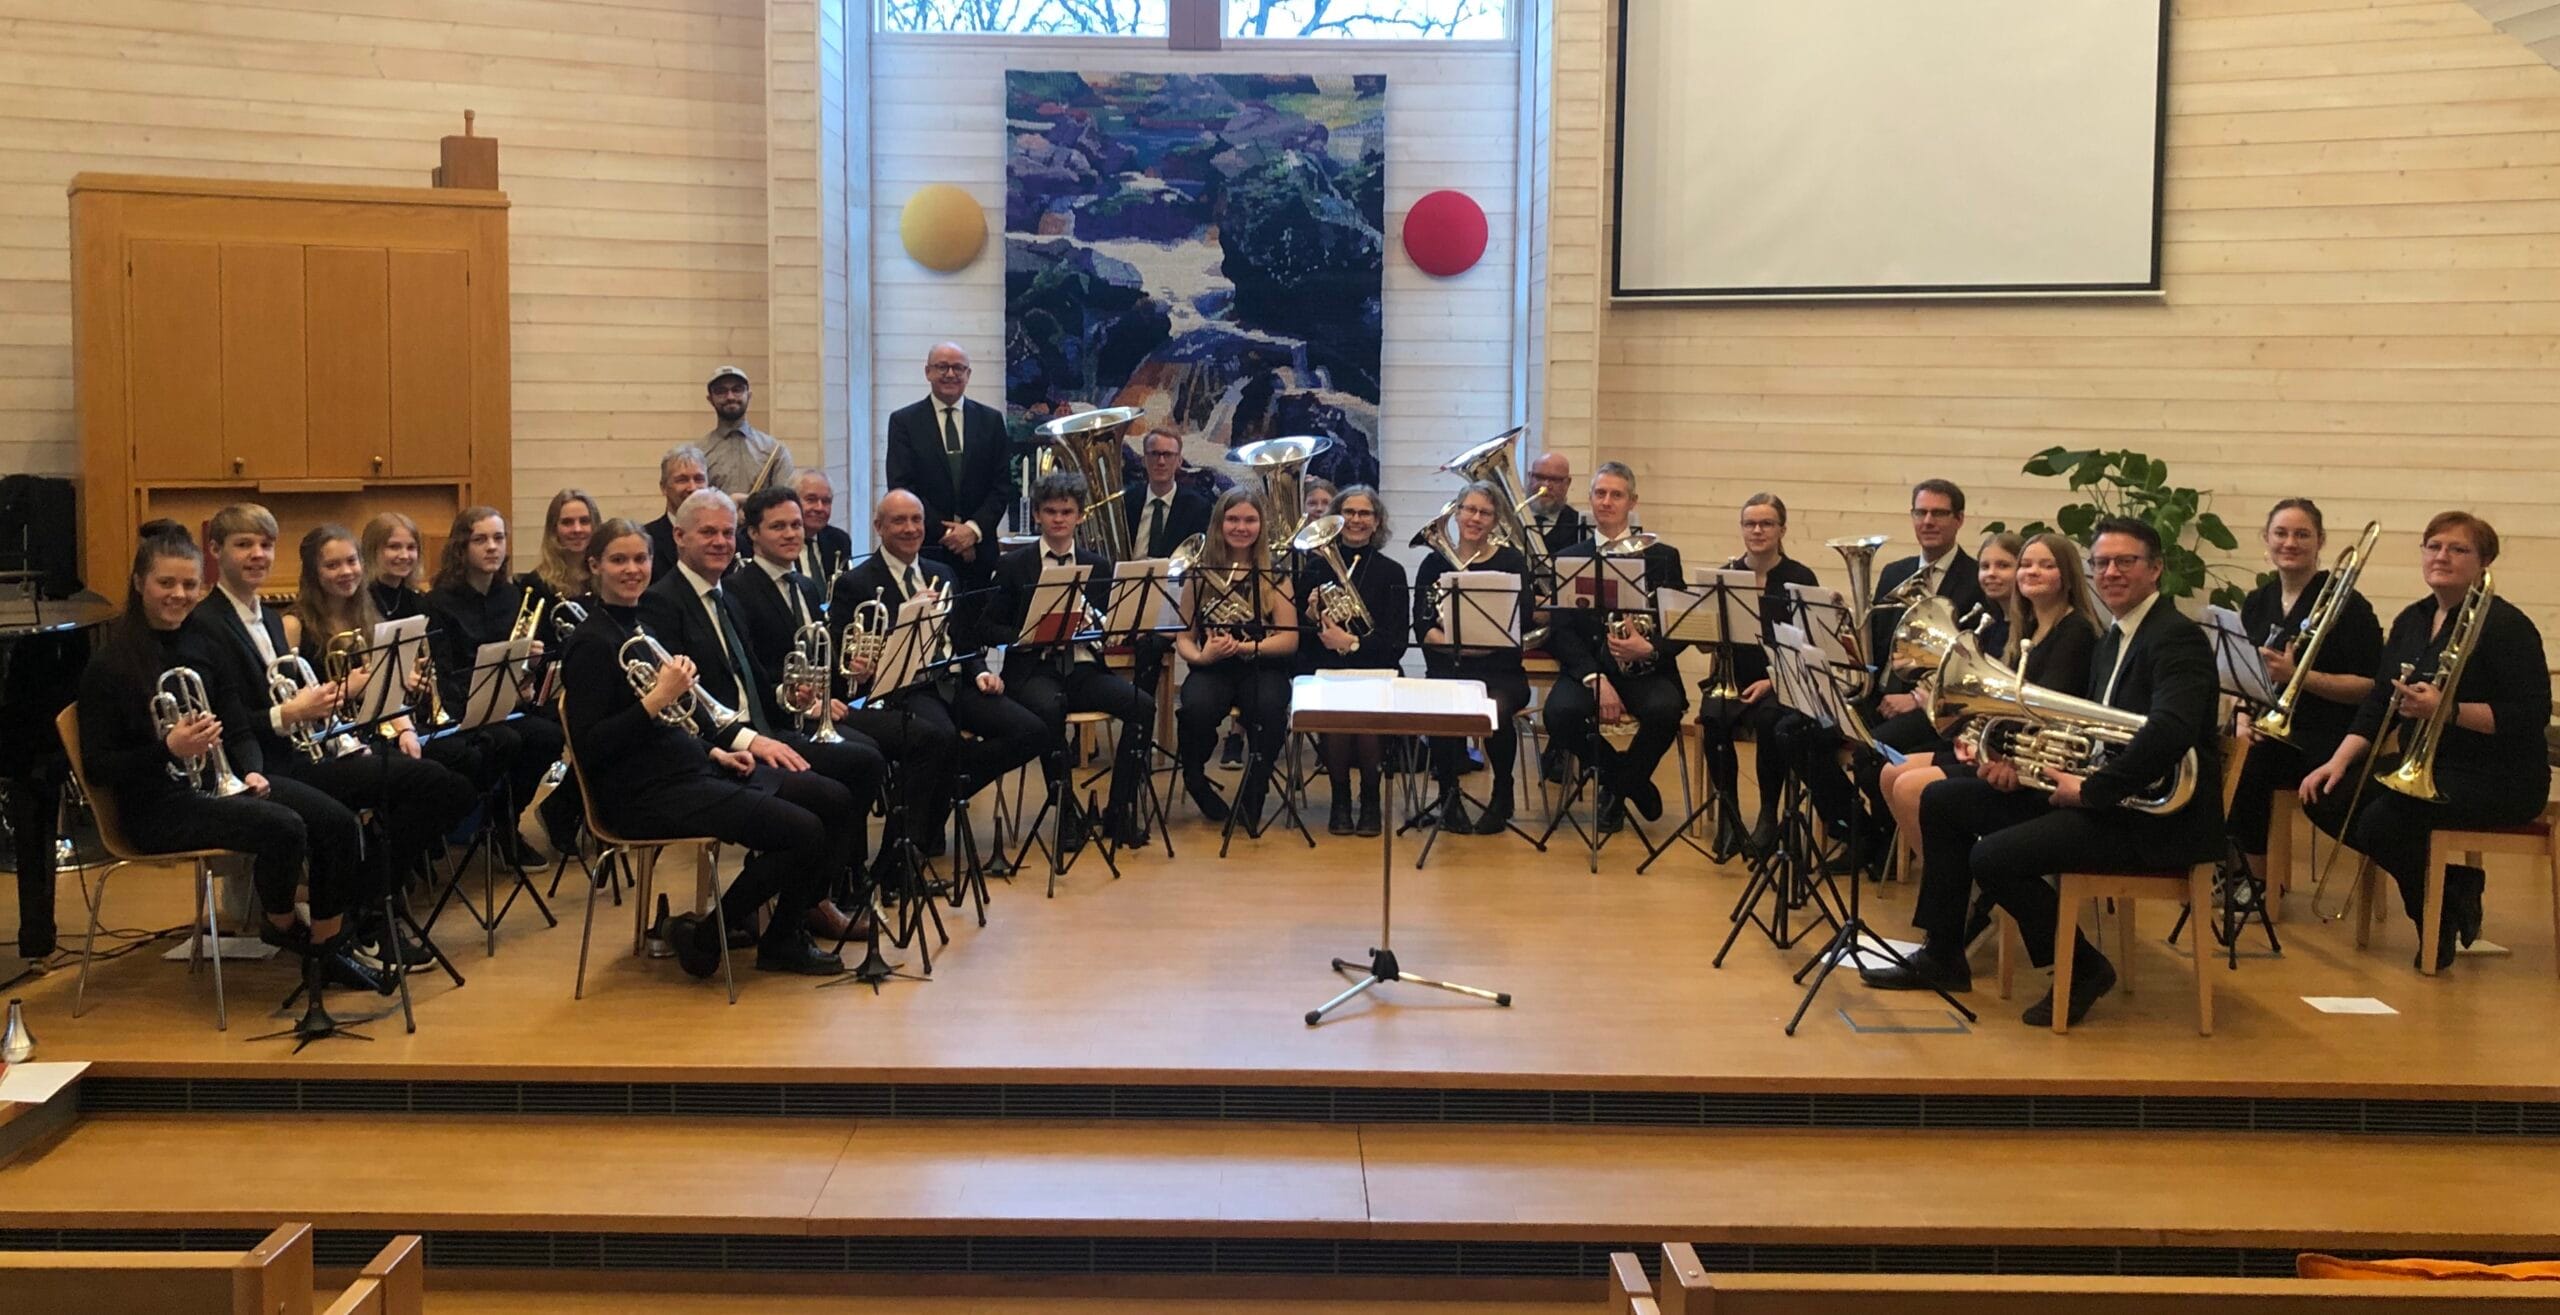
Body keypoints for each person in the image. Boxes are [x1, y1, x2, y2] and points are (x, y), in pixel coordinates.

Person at [1866, 518, 2223, 1028]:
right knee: (1941, 802)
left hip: (2154, 819)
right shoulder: (2116, 637)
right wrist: (2017, 763)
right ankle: (1943, 955)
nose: (2111, 572)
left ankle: (2083, 968)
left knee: (1994, 856)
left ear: (2155, 569)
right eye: (2102, 563)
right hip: (2107, 795)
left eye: (2126, 562)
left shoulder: (2176, 638)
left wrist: (2091, 789)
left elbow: (2170, 731)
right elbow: (2082, 731)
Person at [79, 524, 381, 992]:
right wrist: (168, 749)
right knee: (284, 826)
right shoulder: (110, 663)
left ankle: (328, 947)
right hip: (155, 807)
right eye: (166, 583)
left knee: (337, 823)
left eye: (189, 584)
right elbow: (99, 768)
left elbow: (236, 722)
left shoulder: (201, 642)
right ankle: (284, 927)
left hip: (219, 785)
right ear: (139, 583)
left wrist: (252, 768)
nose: (179, 595)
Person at [561, 518, 848, 977]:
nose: (632, 569)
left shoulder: (638, 629)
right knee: (804, 831)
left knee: (831, 798)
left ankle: (771, 932)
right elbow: (592, 745)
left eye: (640, 559)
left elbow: (671, 725)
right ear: (594, 566)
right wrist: (658, 698)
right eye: (618, 560)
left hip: (689, 770)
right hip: (642, 793)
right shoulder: (591, 643)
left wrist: (714, 751)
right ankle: (714, 937)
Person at [184, 505, 461, 974]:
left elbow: (289, 697)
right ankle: (340, 938)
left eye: (265, 545)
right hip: (262, 765)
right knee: (337, 823)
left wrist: (326, 707)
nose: (257, 555)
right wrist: (290, 712)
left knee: (435, 784)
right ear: (215, 550)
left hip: (299, 752)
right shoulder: (207, 623)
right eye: (243, 545)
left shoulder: (267, 618)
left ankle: (367, 910)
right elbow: (224, 718)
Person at [2299, 511, 2548, 970]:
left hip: (2498, 777)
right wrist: (2338, 761)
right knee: (2327, 795)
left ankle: (2432, 922)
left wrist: (2447, 711)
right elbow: (2380, 701)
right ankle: (2452, 887)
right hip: (2424, 767)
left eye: (2458, 549)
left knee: (2384, 822)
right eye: (2433, 546)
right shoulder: (2413, 620)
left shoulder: (2506, 627)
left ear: (2484, 562)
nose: (2442, 556)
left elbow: (2528, 716)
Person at [640, 488, 888, 936]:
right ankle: (793, 917)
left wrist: (790, 694)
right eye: (708, 533)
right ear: (679, 536)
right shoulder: (663, 602)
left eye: (726, 533)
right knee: (829, 800)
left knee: (864, 762)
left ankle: (808, 902)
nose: (720, 542)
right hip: (719, 749)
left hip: (763, 729)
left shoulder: (724, 598)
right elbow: (685, 703)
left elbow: (752, 678)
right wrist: (749, 739)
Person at [732, 486, 953, 882]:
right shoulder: (739, 589)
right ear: (753, 533)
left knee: (927, 738)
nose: (791, 534)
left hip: (827, 705)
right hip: (787, 714)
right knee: (865, 755)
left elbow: (825, 654)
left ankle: (895, 860)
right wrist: (804, 698)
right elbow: (752, 668)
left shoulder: (805, 585)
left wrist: (853, 668)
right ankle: (845, 871)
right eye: (778, 527)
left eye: (796, 525)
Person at [831, 489, 1044, 845]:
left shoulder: (942, 572)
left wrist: (980, 671)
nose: (910, 528)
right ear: (879, 527)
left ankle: (946, 787)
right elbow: (847, 654)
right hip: (907, 688)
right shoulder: (856, 583)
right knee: (940, 738)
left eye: (916, 519)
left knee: (1030, 730)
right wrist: (906, 616)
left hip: (956, 679)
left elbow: (964, 638)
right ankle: (911, 839)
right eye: (899, 521)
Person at [1880, 532, 2100, 872]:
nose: (2032, 571)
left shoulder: (2075, 631)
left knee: (1910, 788)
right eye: (2027, 564)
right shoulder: (2027, 628)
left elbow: (2041, 712)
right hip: (2002, 750)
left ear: (2067, 576)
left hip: (2031, 764)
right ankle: (1944, 875)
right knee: (1890, 772)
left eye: (2046, 565)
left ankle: (1953, 879)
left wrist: (1993, 745)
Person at [2227, 500, 2380, 910]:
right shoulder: (2257, 601)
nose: (2290, 543)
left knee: (2254, 763)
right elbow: (2245, 676)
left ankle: (2258, 881)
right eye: (2281, 533)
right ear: (2266, 539)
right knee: (2215, 749)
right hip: (2268, 725)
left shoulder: (2350, 606)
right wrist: (2241, 719)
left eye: (2302, 534)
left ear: (2320, 541)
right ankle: (2225, 865)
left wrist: (2299, 676)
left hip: (2325, 733)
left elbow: (2370, 688)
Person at [989, 472, 1155, 848]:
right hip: (1033, 669)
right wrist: (1026, 633)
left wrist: (1111, 627)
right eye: (1050, 511)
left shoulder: (1098, 565)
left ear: (1080, 516)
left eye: (1067, 512)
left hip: (1082, 668)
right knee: (1050, 709)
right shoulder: (1015, 564)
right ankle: (1065, 811)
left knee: (1142, 706)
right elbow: (987, 627)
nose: (1059, 519)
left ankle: (1119, 810)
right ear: (1037, 515)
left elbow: (1108, 625)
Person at [422, 507, 580, 860]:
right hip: (463, 710)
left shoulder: (513, 595)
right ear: (461, 548)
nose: (492, 547)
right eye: (480, 539)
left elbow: (527, 669)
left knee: (550, 735)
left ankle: (504, 820)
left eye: (498, 538)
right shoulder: (439, 602)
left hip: (509, 705)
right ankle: (470, 821)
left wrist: (532, 664)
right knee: (507, 740)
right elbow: (444, 673)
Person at [1540, 462, 1686, 832]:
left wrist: (1649, 648)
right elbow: (1561, 630)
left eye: (1616, 495)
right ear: (1590, 499)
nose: (1607, 501)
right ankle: (1626, 782)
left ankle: (1617, 790)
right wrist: (1595, 677)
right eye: (1600, 493)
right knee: (1558, 715)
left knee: (1666, 710)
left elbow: (1680, 624)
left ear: (1632, 502)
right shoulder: (1569, 557)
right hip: (1588, 668)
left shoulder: (1663, 556)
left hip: (1644, 669)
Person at [1695, 494, 1818, 862]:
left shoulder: (1800, 578)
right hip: (1734, 677)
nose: (1758, 530)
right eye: (1750, 523)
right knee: (1713, 717)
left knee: (1769, 720)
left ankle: (1767, 815)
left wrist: (1773, 680)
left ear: (1782, 529)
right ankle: (1729, 815)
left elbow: (1808, 645)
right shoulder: (1724, 576)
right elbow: (1706, 643)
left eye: (1766, 523)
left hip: (1781, 682)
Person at [1174, 489, 1300, 826]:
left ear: (1261, 525)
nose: (1241, 527)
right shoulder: (1200, 572)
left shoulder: (1275, 574)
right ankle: (1195, 778)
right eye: (1232, 519)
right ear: (1219, 523)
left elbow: (1289, 639)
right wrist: (1202, 657)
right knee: (1195, 709)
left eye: (1249, 520)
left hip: (1262, 666)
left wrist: (1245, 648)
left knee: (1270, 710)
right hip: (1213, 667)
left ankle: (1255, 789)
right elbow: (1184, 636)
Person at [1413, 481, 1530, 837]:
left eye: (1485, 513)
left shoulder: (1511, 562)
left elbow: (1521, 620)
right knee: (1443, 707)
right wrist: (1455, 646)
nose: (1475, 518)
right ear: (1457, 512)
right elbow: (1422, 626)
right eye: (1469, 510)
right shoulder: (1433, 564)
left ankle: (1502, 791)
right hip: (1448, 666)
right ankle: (1448, 795)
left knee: (1493, 710)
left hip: (1500, 670)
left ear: (1495, 521)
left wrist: (1481, 644)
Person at [1296, 486, 1409, 836]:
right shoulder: (1315, 570)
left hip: (1377, 667)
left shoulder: (1392, 572)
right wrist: (1311, 618)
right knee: (1337, 706)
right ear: (1336, 518)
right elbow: (1300, 639)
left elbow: (1396, 643)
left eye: (1365, 513)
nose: (1357, 520)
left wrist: (1352, 643)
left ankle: (1370, 797)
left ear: (1377, 522)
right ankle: (1340, 798)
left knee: (1366, 704)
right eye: (1349, 512)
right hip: (1327, 667)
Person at [884, 342, 1012, 589]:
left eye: (958, 368)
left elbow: (1002, 486)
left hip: (980, 553)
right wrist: (951, 536)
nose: (950, 374)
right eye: (942, 367)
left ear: (968, 374)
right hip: (928, 550)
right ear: (928, 372)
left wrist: (972, 531)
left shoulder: (991, 421)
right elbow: (902, 486)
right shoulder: (904, 422)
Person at [700, 365, 794, 495]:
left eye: (737, 390)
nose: (730, 397)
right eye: (721, 391)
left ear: (749, 395)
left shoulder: (775, 451)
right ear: (710, 399)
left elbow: (784, 501)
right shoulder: (698, 453)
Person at [1123, 428, 1213, 559]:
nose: (1161, 462)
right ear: (1144, 460)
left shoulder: (1197, 507)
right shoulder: (1126, 501)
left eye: (1168, 455)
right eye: (1154, 454)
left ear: (1179, 461)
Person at [522, 489, 602, 611]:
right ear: (554, 530)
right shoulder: (536, 585)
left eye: (584, 521)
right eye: (567, 522)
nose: (577, 529)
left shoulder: (607, 578)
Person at [643, 446, 709, 583]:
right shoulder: (646, 539)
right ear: (663, 487)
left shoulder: (728, 540)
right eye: (682, 480)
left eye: (699, 479)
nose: (692, 488)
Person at [791, 468, 854, 584]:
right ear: (792, 502)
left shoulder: (839, 540)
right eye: (811, 500)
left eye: (826, 501)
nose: (820, 508)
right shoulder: (779, 542)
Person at [361, 512, 427, 622]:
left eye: (411, 547)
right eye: (394, 547)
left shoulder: (419, 601)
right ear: (372, 550)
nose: (404, 556)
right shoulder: (357, 601)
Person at [1526, 451, 1583, 554]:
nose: (1545, 486)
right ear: (1529, 477)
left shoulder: (1578, 525)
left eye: (1555, 480)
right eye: (1539, 477)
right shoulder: (1510, 518)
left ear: (1567, 483)